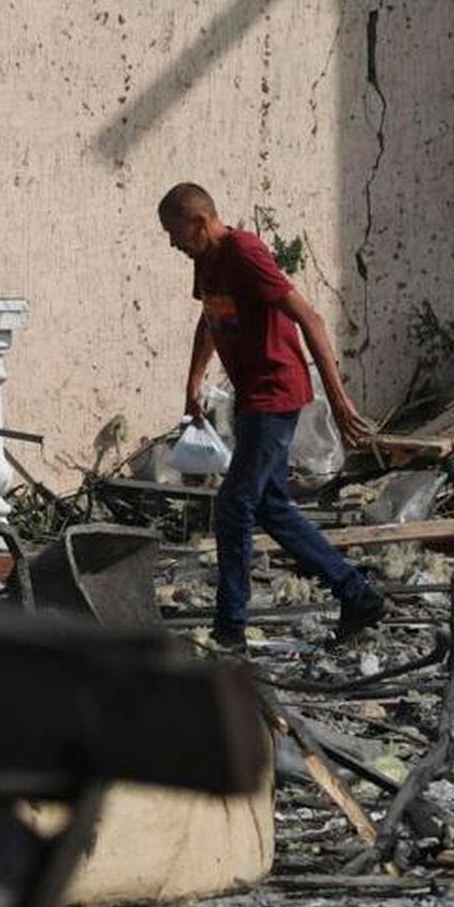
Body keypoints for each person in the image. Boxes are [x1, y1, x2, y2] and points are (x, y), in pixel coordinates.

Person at [157, 181, 387, 650]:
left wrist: (340, 402)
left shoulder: (245, 252)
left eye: (176, 232)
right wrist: (193, 382)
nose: (172, 244)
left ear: (200, 222)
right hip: (250, 396)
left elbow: (311, 319)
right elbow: (211, 316)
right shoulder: (207, 260)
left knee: (234, 505)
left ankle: (231, 628)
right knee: (270, 506)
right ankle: (356, 592)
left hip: (275, 393)